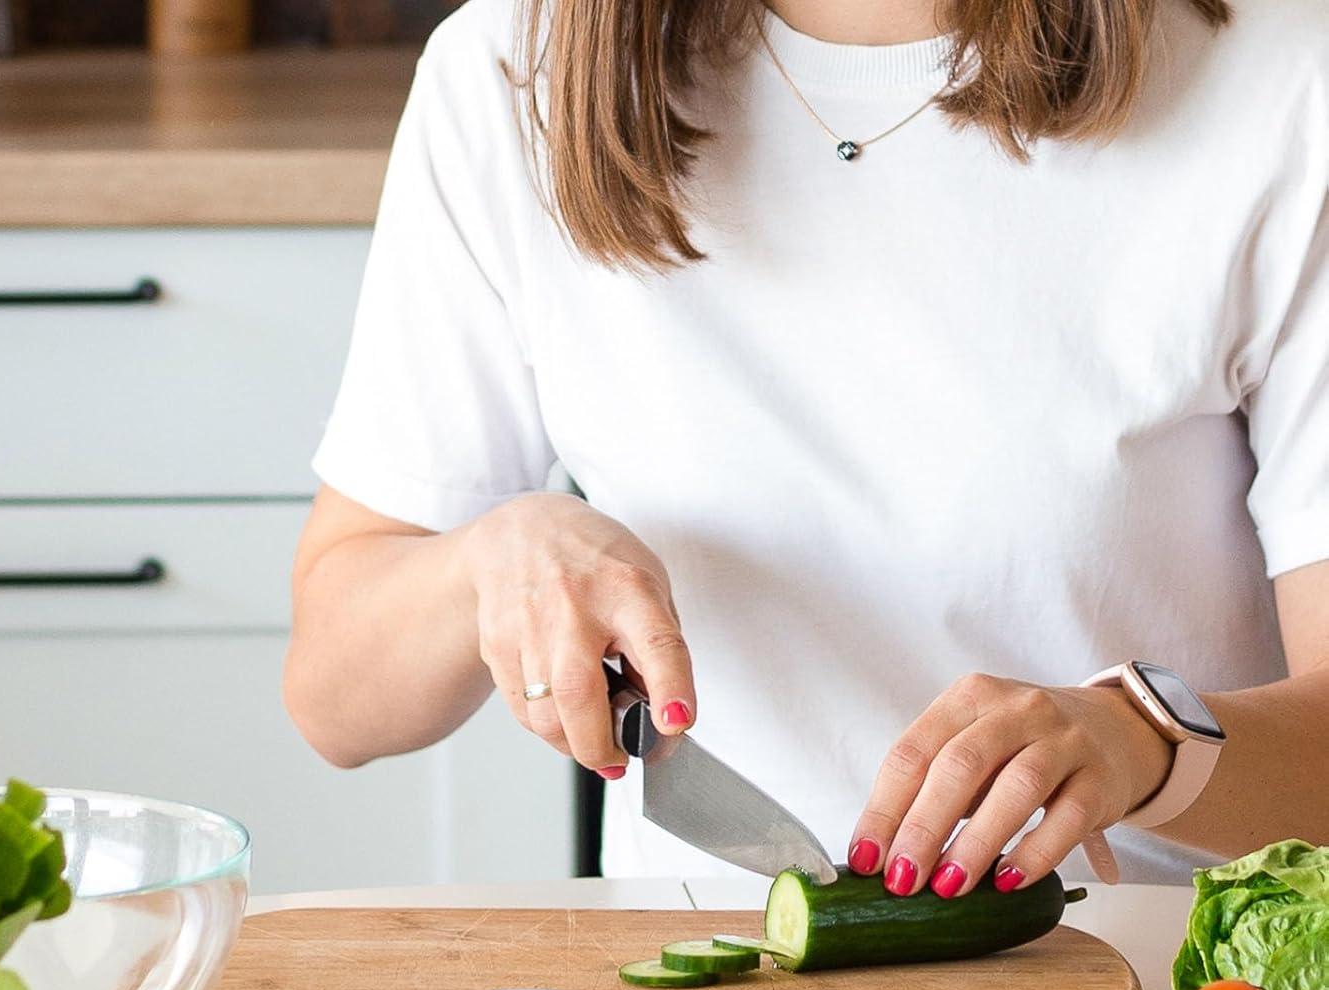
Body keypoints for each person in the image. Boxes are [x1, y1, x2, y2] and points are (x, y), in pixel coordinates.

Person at [285, 0, 1329, 895]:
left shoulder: (1281, 77)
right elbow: (333, 697)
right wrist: (490, 559)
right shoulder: (513, 74)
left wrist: (1146, 743)